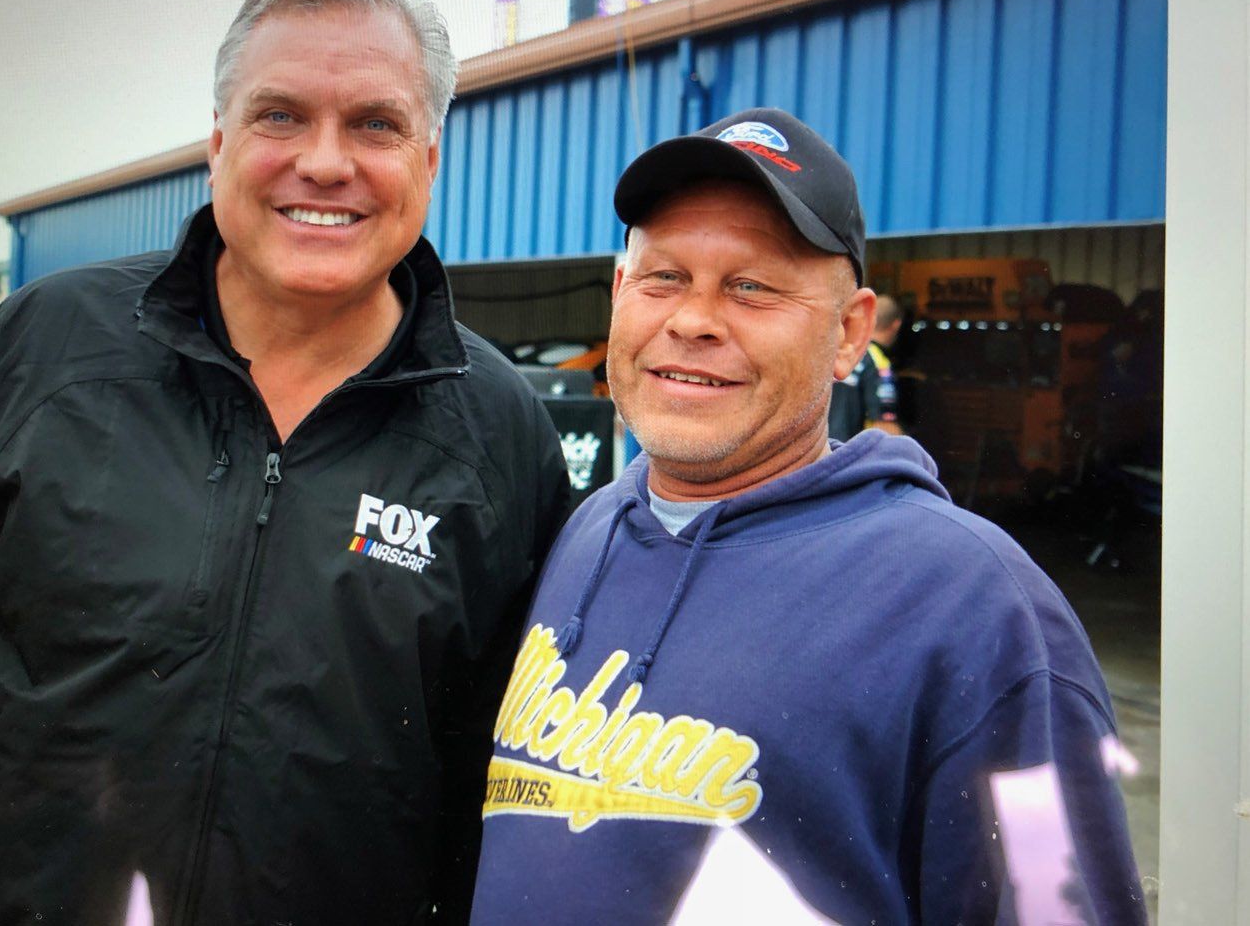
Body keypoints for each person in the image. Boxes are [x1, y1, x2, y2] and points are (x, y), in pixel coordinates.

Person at [0, 0, 569, 925]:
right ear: (216, 143)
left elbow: (502, 801)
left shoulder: (500, 433)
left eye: (376, 124)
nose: (324, 161)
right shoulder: (42, 349)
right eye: (279, 116)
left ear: (429, 160)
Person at [470, 108, 1145, 924]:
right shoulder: (589, 531)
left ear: (849, 334)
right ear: (620, 295)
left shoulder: (975, 607)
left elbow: (1058, 908)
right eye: (664, 278)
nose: (691, 320)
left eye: (750, 287)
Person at [828, 291, 902, 439]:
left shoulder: (836, 352)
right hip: (850, 455)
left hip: (819, 451)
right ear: (896, 325)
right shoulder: (878, 362)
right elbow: (884, 426)